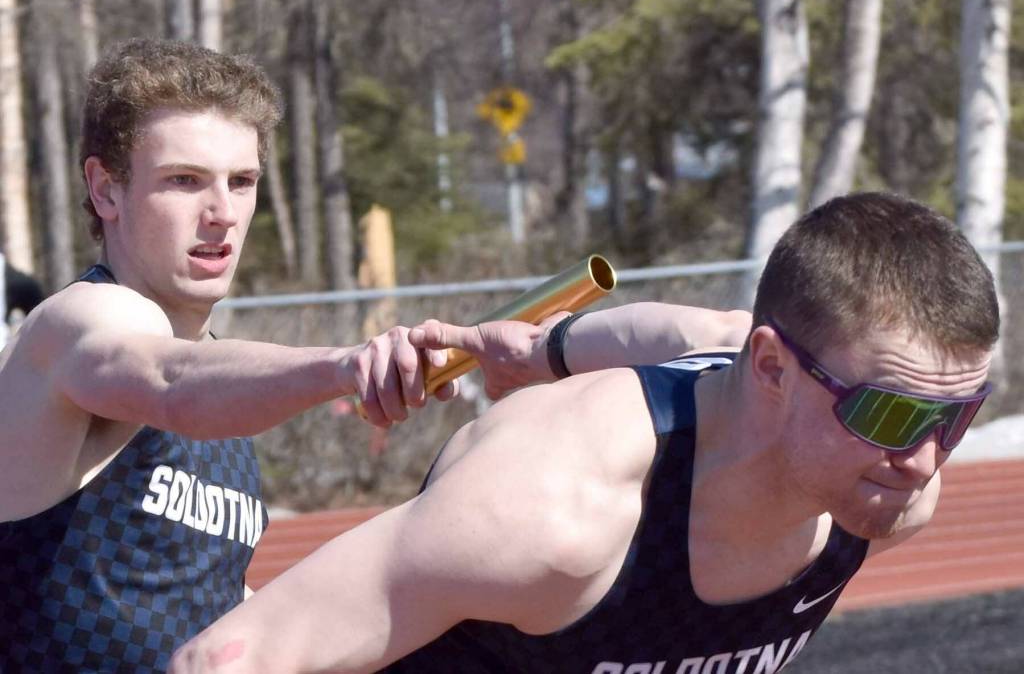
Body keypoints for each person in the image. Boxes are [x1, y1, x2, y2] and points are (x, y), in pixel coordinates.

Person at [0, 37, 743, 672]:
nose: (222, 212)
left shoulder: (223, 389)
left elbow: (196, 605)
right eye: (184, 181)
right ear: (105, 189)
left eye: (242, 181)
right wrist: (346, 365)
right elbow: (168, 381)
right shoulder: (80, 323)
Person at [169, 192, 999, 674]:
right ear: (773, 371)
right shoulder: (549, 514)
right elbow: (226, 660)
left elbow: (708, 328)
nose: (925, 461)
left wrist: (550, 347)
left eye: (958, 417)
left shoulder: (877, 492)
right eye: (891, 414)